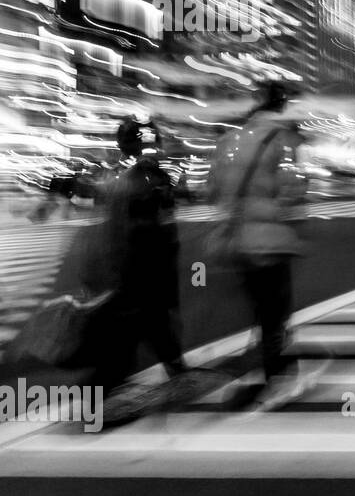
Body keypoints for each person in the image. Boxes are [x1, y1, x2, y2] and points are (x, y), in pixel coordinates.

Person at [209, 81, 307, 399]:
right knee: (274, 310)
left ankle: (264, 366)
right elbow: (294, 188)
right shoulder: (284, 138)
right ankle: (274, 374)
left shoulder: (231, 139)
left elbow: (212, 187)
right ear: (280, 106)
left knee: (258, 307)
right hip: (272, 239)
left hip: (238, 241)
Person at [88, 117, 187, 420]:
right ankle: (101, 395)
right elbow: (166, 227)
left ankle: (175, 374)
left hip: (125, 265)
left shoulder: (112, 175)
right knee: (140, 329)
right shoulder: (152, 176)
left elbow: (105, 223)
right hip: (144, 265)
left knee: (140, 329)